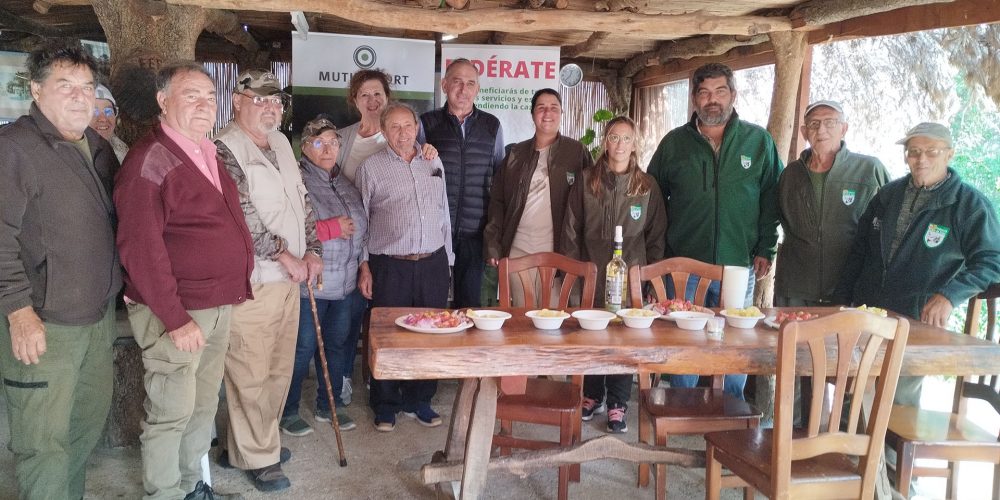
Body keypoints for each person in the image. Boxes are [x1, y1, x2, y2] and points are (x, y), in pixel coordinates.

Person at [115, 61, 253, 500]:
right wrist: (174, 318)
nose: (203, 104)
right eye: (190, 94)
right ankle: (165, 493)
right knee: (170, 410)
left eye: (210, 96)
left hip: (215, 304)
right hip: (178, 310)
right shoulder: (149, 160)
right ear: (163, 101)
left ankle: (192, 485)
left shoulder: (205, 150)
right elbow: (141, 249)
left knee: (202, 403)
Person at [0, 39, 121, 500]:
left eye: (87, 86)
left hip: (96, 317)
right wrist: (18, 312)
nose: (79, 96)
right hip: (44, 323)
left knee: (80, 432)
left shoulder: (95, 145)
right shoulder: (14, 148)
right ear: (36, 90)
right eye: (64, 85)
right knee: (42, 444)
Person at [834, 122, 1000, 407]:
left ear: (949, 154)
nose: (921, 159)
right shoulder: (888, 195)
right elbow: (859, 252)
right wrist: (842, 302)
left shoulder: (968, 204)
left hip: (915, 321)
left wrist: (950, 295)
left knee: (895, 406)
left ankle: (888, 452)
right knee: (852, 398)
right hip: (868, 313)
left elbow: (991, 260)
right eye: (913, 152)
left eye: (931, 152)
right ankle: (853, 452)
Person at [214, 70, 323, 492]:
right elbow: (239, 217)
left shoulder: (280, 142)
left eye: (275, 100)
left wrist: (313, 249)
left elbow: (303, 202)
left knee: (278, 367)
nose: (270, 108)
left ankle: (248, 444)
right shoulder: (225, 148)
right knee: (249, 370)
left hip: (288, 280)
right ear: (238, 100)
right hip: (253, 281)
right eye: (259, 100)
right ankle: (259, 456)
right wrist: (284, 253)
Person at [646, 62, 782, 400]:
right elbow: (652, 200)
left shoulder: (758, 142)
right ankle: (682, 407)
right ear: (694, 99)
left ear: (733, 95)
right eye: (705, 93)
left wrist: (767, 248)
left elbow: (772, 197)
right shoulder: (674, 144)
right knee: (687, 340)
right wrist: (660, 257)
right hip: (685, 266)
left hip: (738, 263)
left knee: (735, 341)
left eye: (720, 92)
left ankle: (731, 409)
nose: (713, 100)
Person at [331, 69, 435, 405]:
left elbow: (437, 205)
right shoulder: (345, 140)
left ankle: (413, 396)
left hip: (404, 251)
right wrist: (364, 262)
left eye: (378, 94)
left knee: (415, 326)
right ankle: (350, 383)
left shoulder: (419, 151)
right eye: (364, 95)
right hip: (351, 245)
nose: (372, 101)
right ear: (355, 100)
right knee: (357, 323)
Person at [562, 116, 667, 432]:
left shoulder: (647, 186)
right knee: (592, 333)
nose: (619, 144)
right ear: (605, 142)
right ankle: (592, 395)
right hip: (592, 271)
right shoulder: (585, 180)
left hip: (630, 275)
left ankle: (619, 402)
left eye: (626, 138)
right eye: (613, 137)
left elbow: (656, 236)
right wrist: (572, 274)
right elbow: (571, 229)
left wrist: (648, 280)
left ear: (635, 144)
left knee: (624, 336)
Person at [357, 102, 452, 432]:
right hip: (390, 265)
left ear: (417, 127)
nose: (402, 133)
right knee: (388, 337)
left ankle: (420, 399)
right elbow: (361, 220)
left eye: (407, 126)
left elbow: (444, 213)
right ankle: (385, 404)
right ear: (384, 131)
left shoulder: (432, 160)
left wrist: (448, 261)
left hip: (433, 263)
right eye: (394, 127)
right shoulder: (371, 168)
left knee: (430, 335)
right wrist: (363, 265)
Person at [280, 117, 367, 436]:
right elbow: (285, 229)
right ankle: (287, 410)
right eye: (319, 142)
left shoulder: (344, 182)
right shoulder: (296, 181)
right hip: (309, 286)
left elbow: (362, 227)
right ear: (304, 148)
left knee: (336, 347)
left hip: (344, 285)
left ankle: (328, 405)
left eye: (333, 142)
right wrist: (332, 229)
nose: (328, 148)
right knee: (301, 349)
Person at [483, 88, 593, 306]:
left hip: (558, 253)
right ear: (533, 114)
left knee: (553, 320)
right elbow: (497, 203)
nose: (547, 113)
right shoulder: (516, 154)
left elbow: (591, 202)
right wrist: (493, 245)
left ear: (561, 113)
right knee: (521, 319)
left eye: (554, 108)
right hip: (518, 251)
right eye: (541, 108)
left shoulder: (577, 152)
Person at [776, 100, 890, 305]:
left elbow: (892, 221)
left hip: (849, 288)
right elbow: (774, 217)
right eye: (814, 124)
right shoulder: (790, 174)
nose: (821, 130)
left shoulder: (869, 169)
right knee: (789, 337)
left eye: (830, 122)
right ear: (804, 131)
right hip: (796, 288)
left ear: (844, 129)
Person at [420, 58, 505, 308]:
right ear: (444, 85)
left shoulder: (492, 126)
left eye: (470, 83)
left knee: (469, 308)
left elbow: (499, 178)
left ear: (477, 89)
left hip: (475, 232)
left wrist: (493, 236)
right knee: (432, 305)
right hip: (434, 233)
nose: (463, 89)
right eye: (457, 82)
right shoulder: (427, 123)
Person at [90, 83, 129, 162]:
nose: (103, 118)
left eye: (108, 111)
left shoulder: (122, 151)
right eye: (94, 112)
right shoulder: (69, 156)